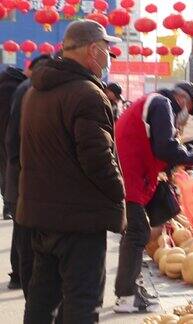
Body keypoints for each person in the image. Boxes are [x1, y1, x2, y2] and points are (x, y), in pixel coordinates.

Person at [17, 20, 126, 323]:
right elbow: (98, 158)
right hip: (79, 219)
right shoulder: (87, 94)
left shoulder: (35, 92)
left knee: (42, 299)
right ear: (93, 50)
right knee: (81, 301)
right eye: (107, 50)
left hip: (41, 214)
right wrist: (119, 192)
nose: (108, 57)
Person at [114, 82, 193, 313]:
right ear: (181, 99)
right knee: (137, 233)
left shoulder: (152, 103)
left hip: (134, 176)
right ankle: (126, 295)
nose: (187, 115)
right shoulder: (162, 103)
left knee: (137, 232)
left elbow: (158, 148)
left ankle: (130, 289)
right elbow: (164, 148)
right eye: (189, 109)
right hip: (133, 178)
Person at [5, 54, 51, 296]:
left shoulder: (23, 88)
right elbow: (15, 139)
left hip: (16, 171)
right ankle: (23, 279)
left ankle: (20, 277)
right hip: (23, 173)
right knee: (25, 232)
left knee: (21, 227)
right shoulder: (30, 91)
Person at [0, 65, 27, 222]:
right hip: (9, 135)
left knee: (4, 170)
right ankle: (8, 206)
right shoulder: (17, 88)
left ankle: (7, 204)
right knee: (9, 168)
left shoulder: (3, 85)